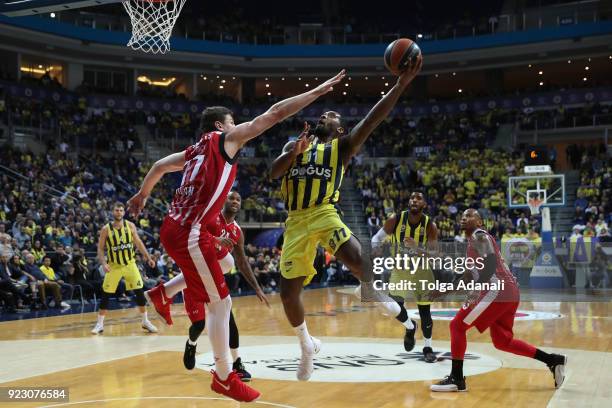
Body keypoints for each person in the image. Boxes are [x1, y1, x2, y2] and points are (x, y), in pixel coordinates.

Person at [127, 71, 345, 403]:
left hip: (174, 227)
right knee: (222, 302)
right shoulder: (222, 141)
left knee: (224, 264)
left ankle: (163, 294)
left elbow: (158, 165)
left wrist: (142, 195)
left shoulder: (191, 152)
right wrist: (316, 92)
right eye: (232, 122)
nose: (237, 126)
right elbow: (273, 114)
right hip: (189, 232)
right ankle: (225, 376)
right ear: (220, 125)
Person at [269, 58, 422, 381]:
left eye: (331, 116)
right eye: (322, 114)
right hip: (296, 220)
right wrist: (292, 153)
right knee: (287, 293)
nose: (324, 115)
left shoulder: (342, 146)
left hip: (324, 212)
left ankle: (403, 318)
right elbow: (273, 172)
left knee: (361, 267)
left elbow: (373, 119)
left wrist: (400, 85)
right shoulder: (294, 146)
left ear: (339, 129)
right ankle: (307, 345)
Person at [430, 209, 567, 392]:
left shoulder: (479, 236)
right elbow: (468, 277)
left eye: (470, 215)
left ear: (479, 223)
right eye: (462, 216)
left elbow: (490, 263)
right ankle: (552, 360)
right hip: (509, 292)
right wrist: (444, 291)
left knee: (457, 326)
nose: (464, 218)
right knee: (503, 341)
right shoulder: (472, 243)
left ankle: (457, 378)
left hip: (497, 291)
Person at [147, 191, 269, 381]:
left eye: (238, 199)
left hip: (213, 278)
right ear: (223, 200)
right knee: (199, 324)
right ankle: (191, 343)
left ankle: (236, 363)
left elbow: (243, 262)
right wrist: (215, 240)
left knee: (228, 315)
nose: (235, 201)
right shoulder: (210, 217)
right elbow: (192, 234)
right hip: (195, 277)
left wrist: (257, 287)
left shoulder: (237, 231)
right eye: (231, 198)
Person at [371, 191, 438, 362]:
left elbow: (434, 254)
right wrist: (376, 248)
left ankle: (428, 347)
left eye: (419, 198)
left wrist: (417, 248)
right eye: (412, 197)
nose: (414, 200)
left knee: (425, 312)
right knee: (394, 307)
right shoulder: (396, 219)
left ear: (424, 205)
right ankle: (410, 327)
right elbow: (377, 238)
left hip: (422, 270)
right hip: (400, 270)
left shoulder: (430, 226)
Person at [91, 202, 158, 335]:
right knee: (106, 294)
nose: (119, 213)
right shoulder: (106, 229)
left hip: (129, 264)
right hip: (114, 266)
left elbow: (138, 242)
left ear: (124, 212)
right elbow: (100, 248)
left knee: (139, 291)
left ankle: (145, 321)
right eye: (117, 210)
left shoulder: (130, 225)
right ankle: (99, 324)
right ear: (113, 212)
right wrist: (104, 263)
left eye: (121, 210)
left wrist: (148, 257)